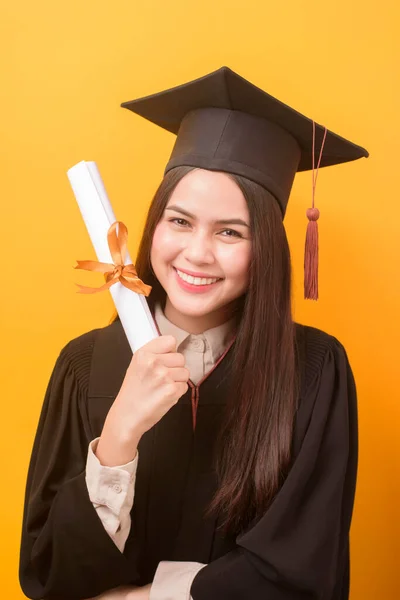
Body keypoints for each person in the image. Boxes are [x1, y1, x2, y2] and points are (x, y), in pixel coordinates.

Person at [19, 67, 368, 600]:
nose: (197, 253)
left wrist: (151, 596)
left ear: (266, 250)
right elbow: (48, 573)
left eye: (230, 232)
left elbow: (305, 567)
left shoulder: (315, 369)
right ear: (154, 225)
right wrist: (118, 439)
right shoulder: (85, 365)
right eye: (180, 221)